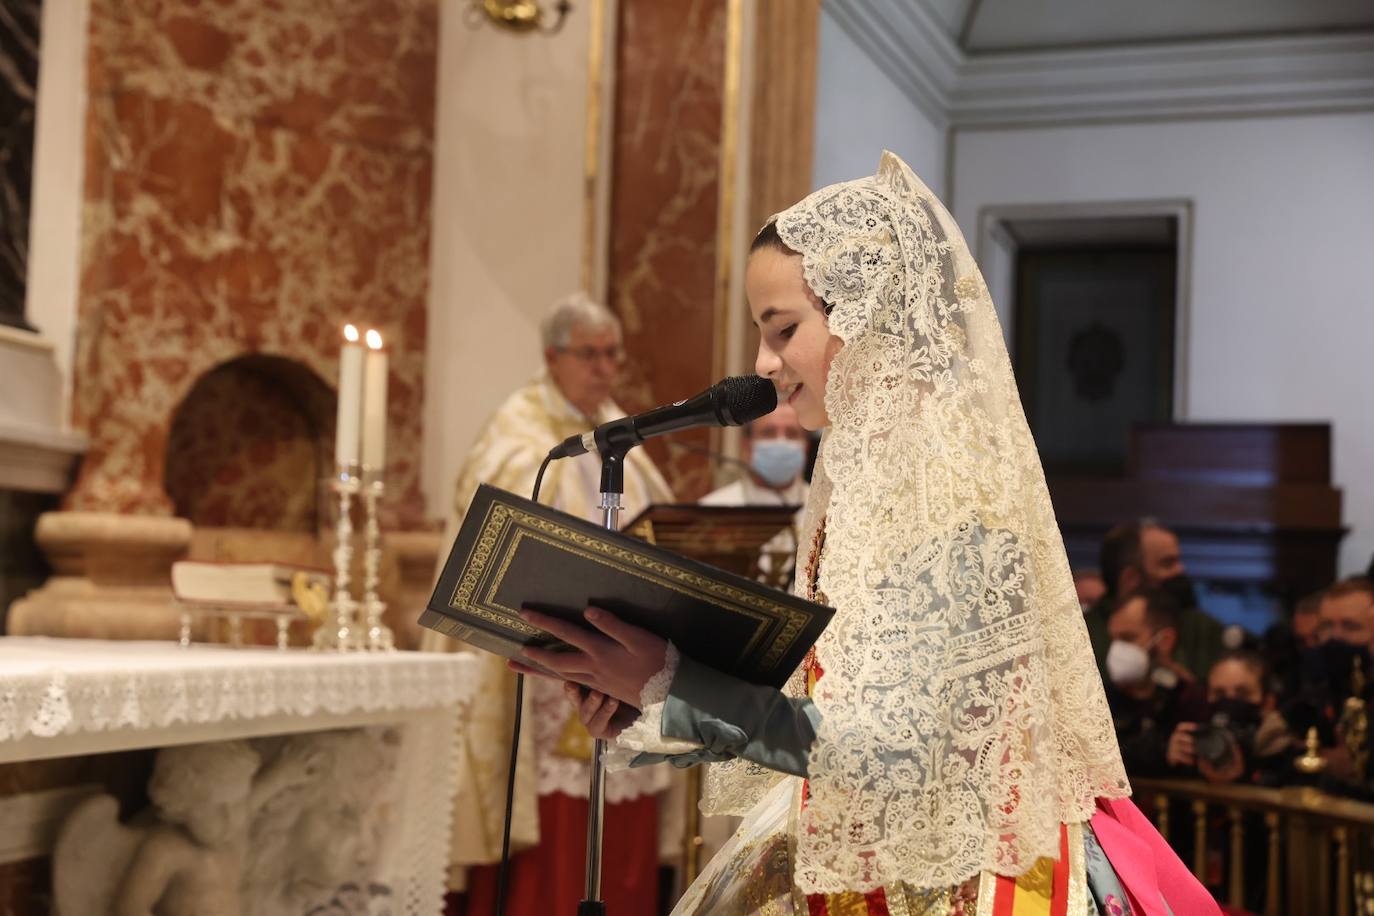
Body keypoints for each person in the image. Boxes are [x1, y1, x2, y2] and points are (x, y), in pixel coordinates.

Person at [510, 153, 1218, 913]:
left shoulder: (958, 495)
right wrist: (651, 697)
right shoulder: (857, 483)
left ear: (871, 318)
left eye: (783, 330)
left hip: (962, 871)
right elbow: (806, 703)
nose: (762, 365)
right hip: (859, 847)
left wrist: (670, 681)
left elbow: (888, 752)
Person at [420, 292, 675, 916]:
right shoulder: (521, 433)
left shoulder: (621, 436)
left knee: (621, 845)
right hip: (542, 675)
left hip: (625, 665)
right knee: (550, 851)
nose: (604, 368)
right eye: (588, 354)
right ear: (551, 357)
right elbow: (490, 522)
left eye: (612, 354)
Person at [1084, 520, 1226, 683]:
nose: (1180, 570)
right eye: (1167, 563)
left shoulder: (1202, 628)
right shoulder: (1082, 635)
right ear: (1131, 578)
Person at [701, 402, 810, 587]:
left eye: (791, 434)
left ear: (805, 447)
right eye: (769, 433)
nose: (780, 442)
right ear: (747, 445)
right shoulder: (710, 511)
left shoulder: (828, 511)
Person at [1103, 588, 1208, 777]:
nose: (1117, 649)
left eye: (1128, 638)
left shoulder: (1188, 700)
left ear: (1165, 640)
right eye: (1113, 639)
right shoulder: (1101, 699)